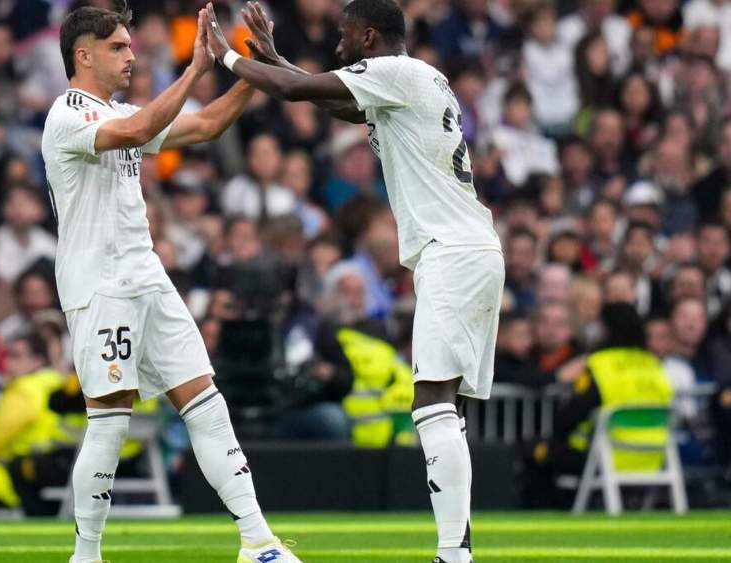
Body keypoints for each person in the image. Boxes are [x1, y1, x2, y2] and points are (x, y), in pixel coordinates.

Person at [208, 3, 505, 561]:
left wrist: (222, 54)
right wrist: (273, 58)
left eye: (345, 35)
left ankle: (454, 554)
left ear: (369, 36)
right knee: (447, 408)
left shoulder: (395, 72)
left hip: (453, 253)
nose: (337, 43)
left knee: (432, 402)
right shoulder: (416, 78)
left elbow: (302, 94)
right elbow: (333, 101)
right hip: (470, 249)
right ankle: (458, 548)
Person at [44, 6, 299, 562]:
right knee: (109, 419)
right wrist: (195, 68)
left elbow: (205, 125)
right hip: (100, 284)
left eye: (130, 45)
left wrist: (256, 64)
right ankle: (85, 555)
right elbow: (138, 130)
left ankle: (258, 543)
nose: (131, 55)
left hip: (146, 276)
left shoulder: (122, 111)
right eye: (118, 47)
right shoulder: (68, 115)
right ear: (83, 55)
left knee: (205, 400)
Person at [520, 303, 673, 507]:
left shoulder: (600, 364)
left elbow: (572, 415)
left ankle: (551, 514)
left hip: (606, 457)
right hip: (654, 457)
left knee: (534, 451)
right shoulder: (654, 365)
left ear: (606, 329)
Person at [0, 332, 75, 516]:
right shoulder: (56, 382)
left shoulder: (24, 390)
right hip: (61, 466)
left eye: (15, 356)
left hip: (20, 474)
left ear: (37, 361)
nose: (7, 363)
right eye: (6, 355)